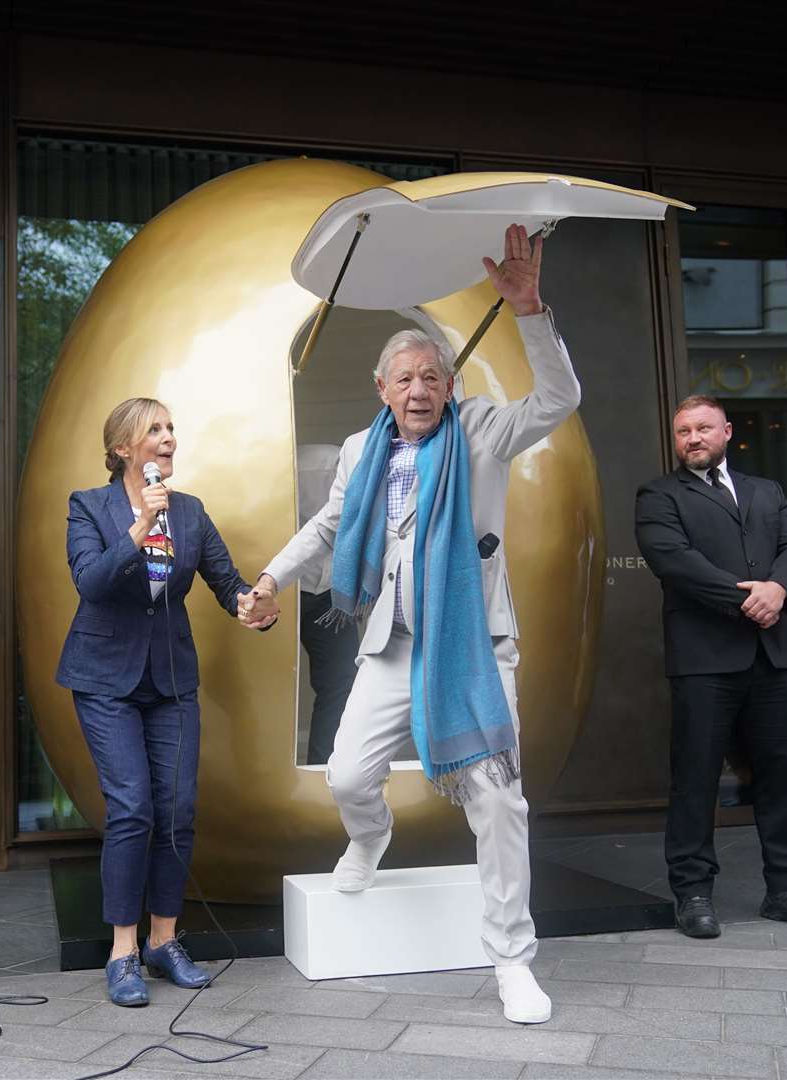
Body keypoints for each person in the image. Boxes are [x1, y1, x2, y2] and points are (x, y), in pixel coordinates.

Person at [243, 224, 572, 1025]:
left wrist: (528, 310)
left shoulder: (484, 432)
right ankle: (369, 839)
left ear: (449, 385)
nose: (419, 389)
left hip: (471, 652)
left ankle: (512, 960)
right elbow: (326, 528)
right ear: (381, 387)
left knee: (498, 805)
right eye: (404, 378)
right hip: (391, 646)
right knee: (351, 778)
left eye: (432, 375)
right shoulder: (361, 451)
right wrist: (268, 578)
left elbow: (559, 399)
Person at [56, 397, 273, 1007]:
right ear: (124, 448)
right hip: (104, 680)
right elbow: (91, 583)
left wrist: (253, 606)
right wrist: (136, 529)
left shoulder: (192, 512)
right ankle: (122, 952)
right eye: (155, 429)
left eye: (172, 428)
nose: (168, 438)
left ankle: (163, 940)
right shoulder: (89, 507)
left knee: (176, 809)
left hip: (171, 681)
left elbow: (229, 584)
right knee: (132, 809)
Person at [634, 394, 787, 940]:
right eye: (683, 431)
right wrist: (750, 598)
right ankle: (694, 894)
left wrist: (780, 589)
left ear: (727, 431)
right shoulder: (659, 495)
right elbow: (675, 562)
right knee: (696, 779)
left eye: (703, 428)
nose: (693, 438)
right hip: (704, 659)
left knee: (780, 776)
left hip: (773, 654)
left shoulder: (766, 491)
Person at [296, 443, 359, 766]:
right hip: (281, 589)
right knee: (268, 681)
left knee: (342, 679)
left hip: (333, 594)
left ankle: (324, 768)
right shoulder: (306, 469)